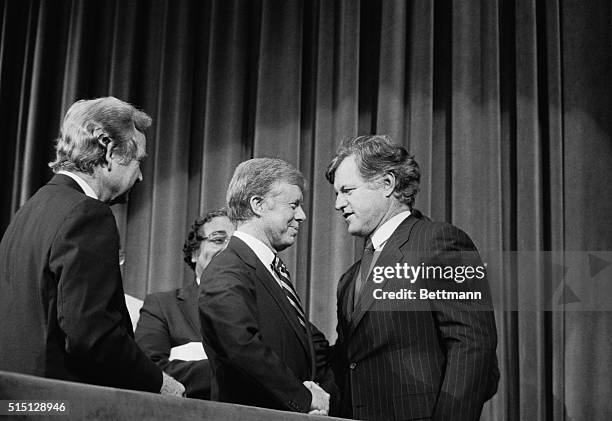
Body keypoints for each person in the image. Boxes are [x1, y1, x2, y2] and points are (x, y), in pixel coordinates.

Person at [0, 97, 183, 395]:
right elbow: (92, 334)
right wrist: (160, 383)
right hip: (62, 403)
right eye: (139, 161)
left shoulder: (29, 210)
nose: (140, 176)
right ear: (109, 149)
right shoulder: (87, 213)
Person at [326, 135, 499, 421]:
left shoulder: (440, 242)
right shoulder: (349, 279)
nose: (338, 204)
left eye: (347, 190)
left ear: (387, 184)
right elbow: (351, 361)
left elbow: (473, 345)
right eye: (336, 194)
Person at [198, 158, 338, 415]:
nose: (302, 216)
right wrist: (305, 398)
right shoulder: (227, 268)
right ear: (258, 204)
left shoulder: (270, 270)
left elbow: (309, 348)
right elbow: (241, 347)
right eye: (294, 205)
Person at [135, 209, 235, 399]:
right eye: (218, 239)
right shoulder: (162, 306)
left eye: (236, 244)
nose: (228, 250)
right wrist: (231, 372)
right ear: (195, 253)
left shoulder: (263, 310)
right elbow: (147, 369)